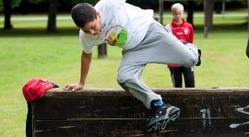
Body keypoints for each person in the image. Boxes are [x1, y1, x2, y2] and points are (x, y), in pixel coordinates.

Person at [64, 0, 199, 132]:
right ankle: (159, 106)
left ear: (98, 14)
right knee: (124, 77)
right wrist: (81, 82)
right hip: (133, 50)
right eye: (86, 30)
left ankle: (186, 46)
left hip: (150, 31)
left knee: (191, 60)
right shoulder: (85, 36)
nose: (92, 33)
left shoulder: (109, 4)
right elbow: (86, 55)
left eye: (93, 27)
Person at [165, 3, 195, 88]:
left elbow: (190, 42)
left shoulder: (188, 26)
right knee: (177, 85)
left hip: (187, 59)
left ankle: (191, 101)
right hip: (174, 61)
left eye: (180, 13)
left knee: (190, 83)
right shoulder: (168, 27)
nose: (178, 16)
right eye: (175, 13)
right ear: (172, 13)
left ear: (183, 13)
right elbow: (167, 43)